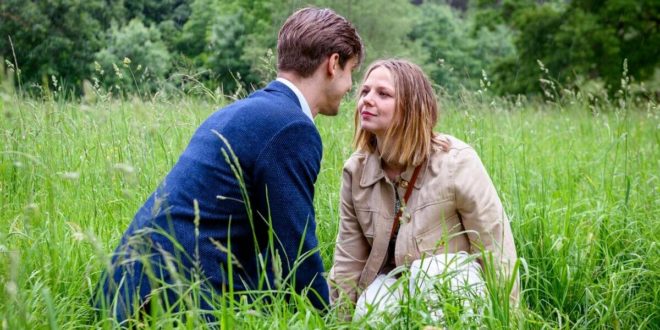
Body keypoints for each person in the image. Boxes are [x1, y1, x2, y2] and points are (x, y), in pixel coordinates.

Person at [96, 7, 364, 321]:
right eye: (351, 73)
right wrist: (325, 321)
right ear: (333, 64)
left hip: (124, 290)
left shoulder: (242, 111)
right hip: (170, 303)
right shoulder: (292, 128)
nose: (349, 87)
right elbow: (294, 248)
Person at [329, 59, 518, 319]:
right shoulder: (356, 171)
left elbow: (495, 248)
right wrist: (342, 321)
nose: (367, 100)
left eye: (383, 94)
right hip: (398, 282)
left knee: (428, 274)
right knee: (370, 306)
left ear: (411, 107)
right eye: (365, 91)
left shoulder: (456, 162)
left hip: (455, 283)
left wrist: (509, 319)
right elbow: (349, 260)